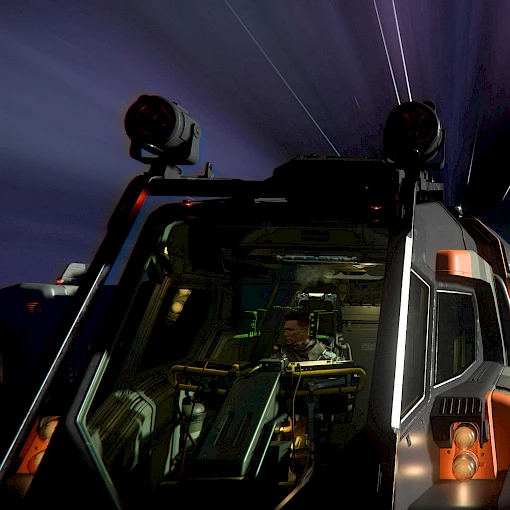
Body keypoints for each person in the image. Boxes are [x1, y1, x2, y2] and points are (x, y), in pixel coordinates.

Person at [271, 310, 340, 362]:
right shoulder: (281, 355)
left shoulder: (326, 356)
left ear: (304, 330)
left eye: (290, 330)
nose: (285, 334)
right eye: (286, 330)